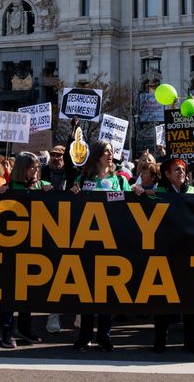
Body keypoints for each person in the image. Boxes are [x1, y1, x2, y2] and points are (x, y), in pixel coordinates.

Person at [71, 140, 128, 351]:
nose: (110, 155)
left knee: (107, 293)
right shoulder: (83, 178)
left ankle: (104, 336)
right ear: (97, 155)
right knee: (86, 292)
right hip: (87, 242)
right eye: (106, 151)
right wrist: (73, 194)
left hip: (111, 243)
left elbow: (128, 205)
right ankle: (84, 335)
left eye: (111, 151)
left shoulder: (119, 180)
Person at [151, 157, 194, 354]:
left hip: (189, 253)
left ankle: (191, 340)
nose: (181, 172)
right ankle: (160, 340)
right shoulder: (157, 193)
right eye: (176, 170)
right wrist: (139, 192)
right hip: (164, 253)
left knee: (190, 298)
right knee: (161, 299)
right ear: (166, 174)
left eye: (183, 169)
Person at [0, 152, 49, 348]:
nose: (36, 170)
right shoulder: (9, 188)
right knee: (11, 293)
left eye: (37, 167)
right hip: (12, 249)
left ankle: (24, 327)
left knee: (28, 292)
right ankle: (7, 330)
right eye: (32, 167)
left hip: (34, 248)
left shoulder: (41, 186)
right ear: (22, 169)